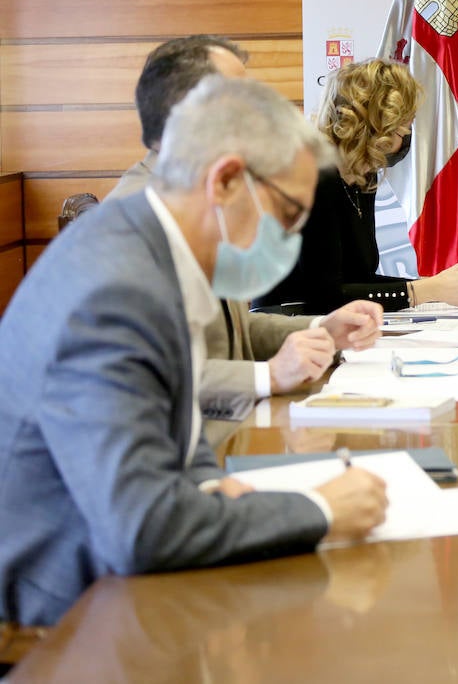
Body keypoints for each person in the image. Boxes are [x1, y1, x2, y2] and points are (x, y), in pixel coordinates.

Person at [0, 77, 388, 629]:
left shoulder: (155, 250)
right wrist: (322, 510)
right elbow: (142, 530)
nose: (293, 239)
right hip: (64, 608)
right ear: (226, 180)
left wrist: (210, 484)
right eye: (287, 216)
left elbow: (176, 429)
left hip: (123, 568)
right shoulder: (117, 288)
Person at [109, 36, 385, 442]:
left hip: (229, 437)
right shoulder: (133, 225)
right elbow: (144, 377)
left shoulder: (196, 198)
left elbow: (229, 330)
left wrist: (320, 329)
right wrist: (269, 374)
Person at [257, 58, 458, 314]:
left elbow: (358, 280)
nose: (405, 139)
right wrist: (429, 290)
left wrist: (438, 285)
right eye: (401, 130)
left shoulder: (362, 177)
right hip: (287, 326)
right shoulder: (313, 176)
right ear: (369, 127)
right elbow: (326, 297)